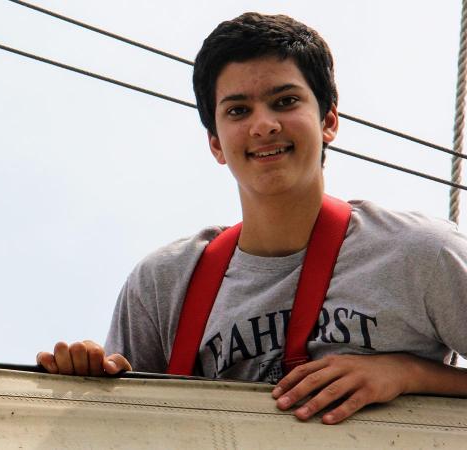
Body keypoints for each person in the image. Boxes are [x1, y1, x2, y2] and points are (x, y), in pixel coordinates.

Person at [37, 12, 467, 425]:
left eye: (285, 101)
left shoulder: (422, 253)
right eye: (238, 111)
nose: (264, 126)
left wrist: (411, 375)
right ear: (216, 144)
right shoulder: (162, 284)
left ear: (329, 121)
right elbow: (116, 426)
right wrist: (87, 383)